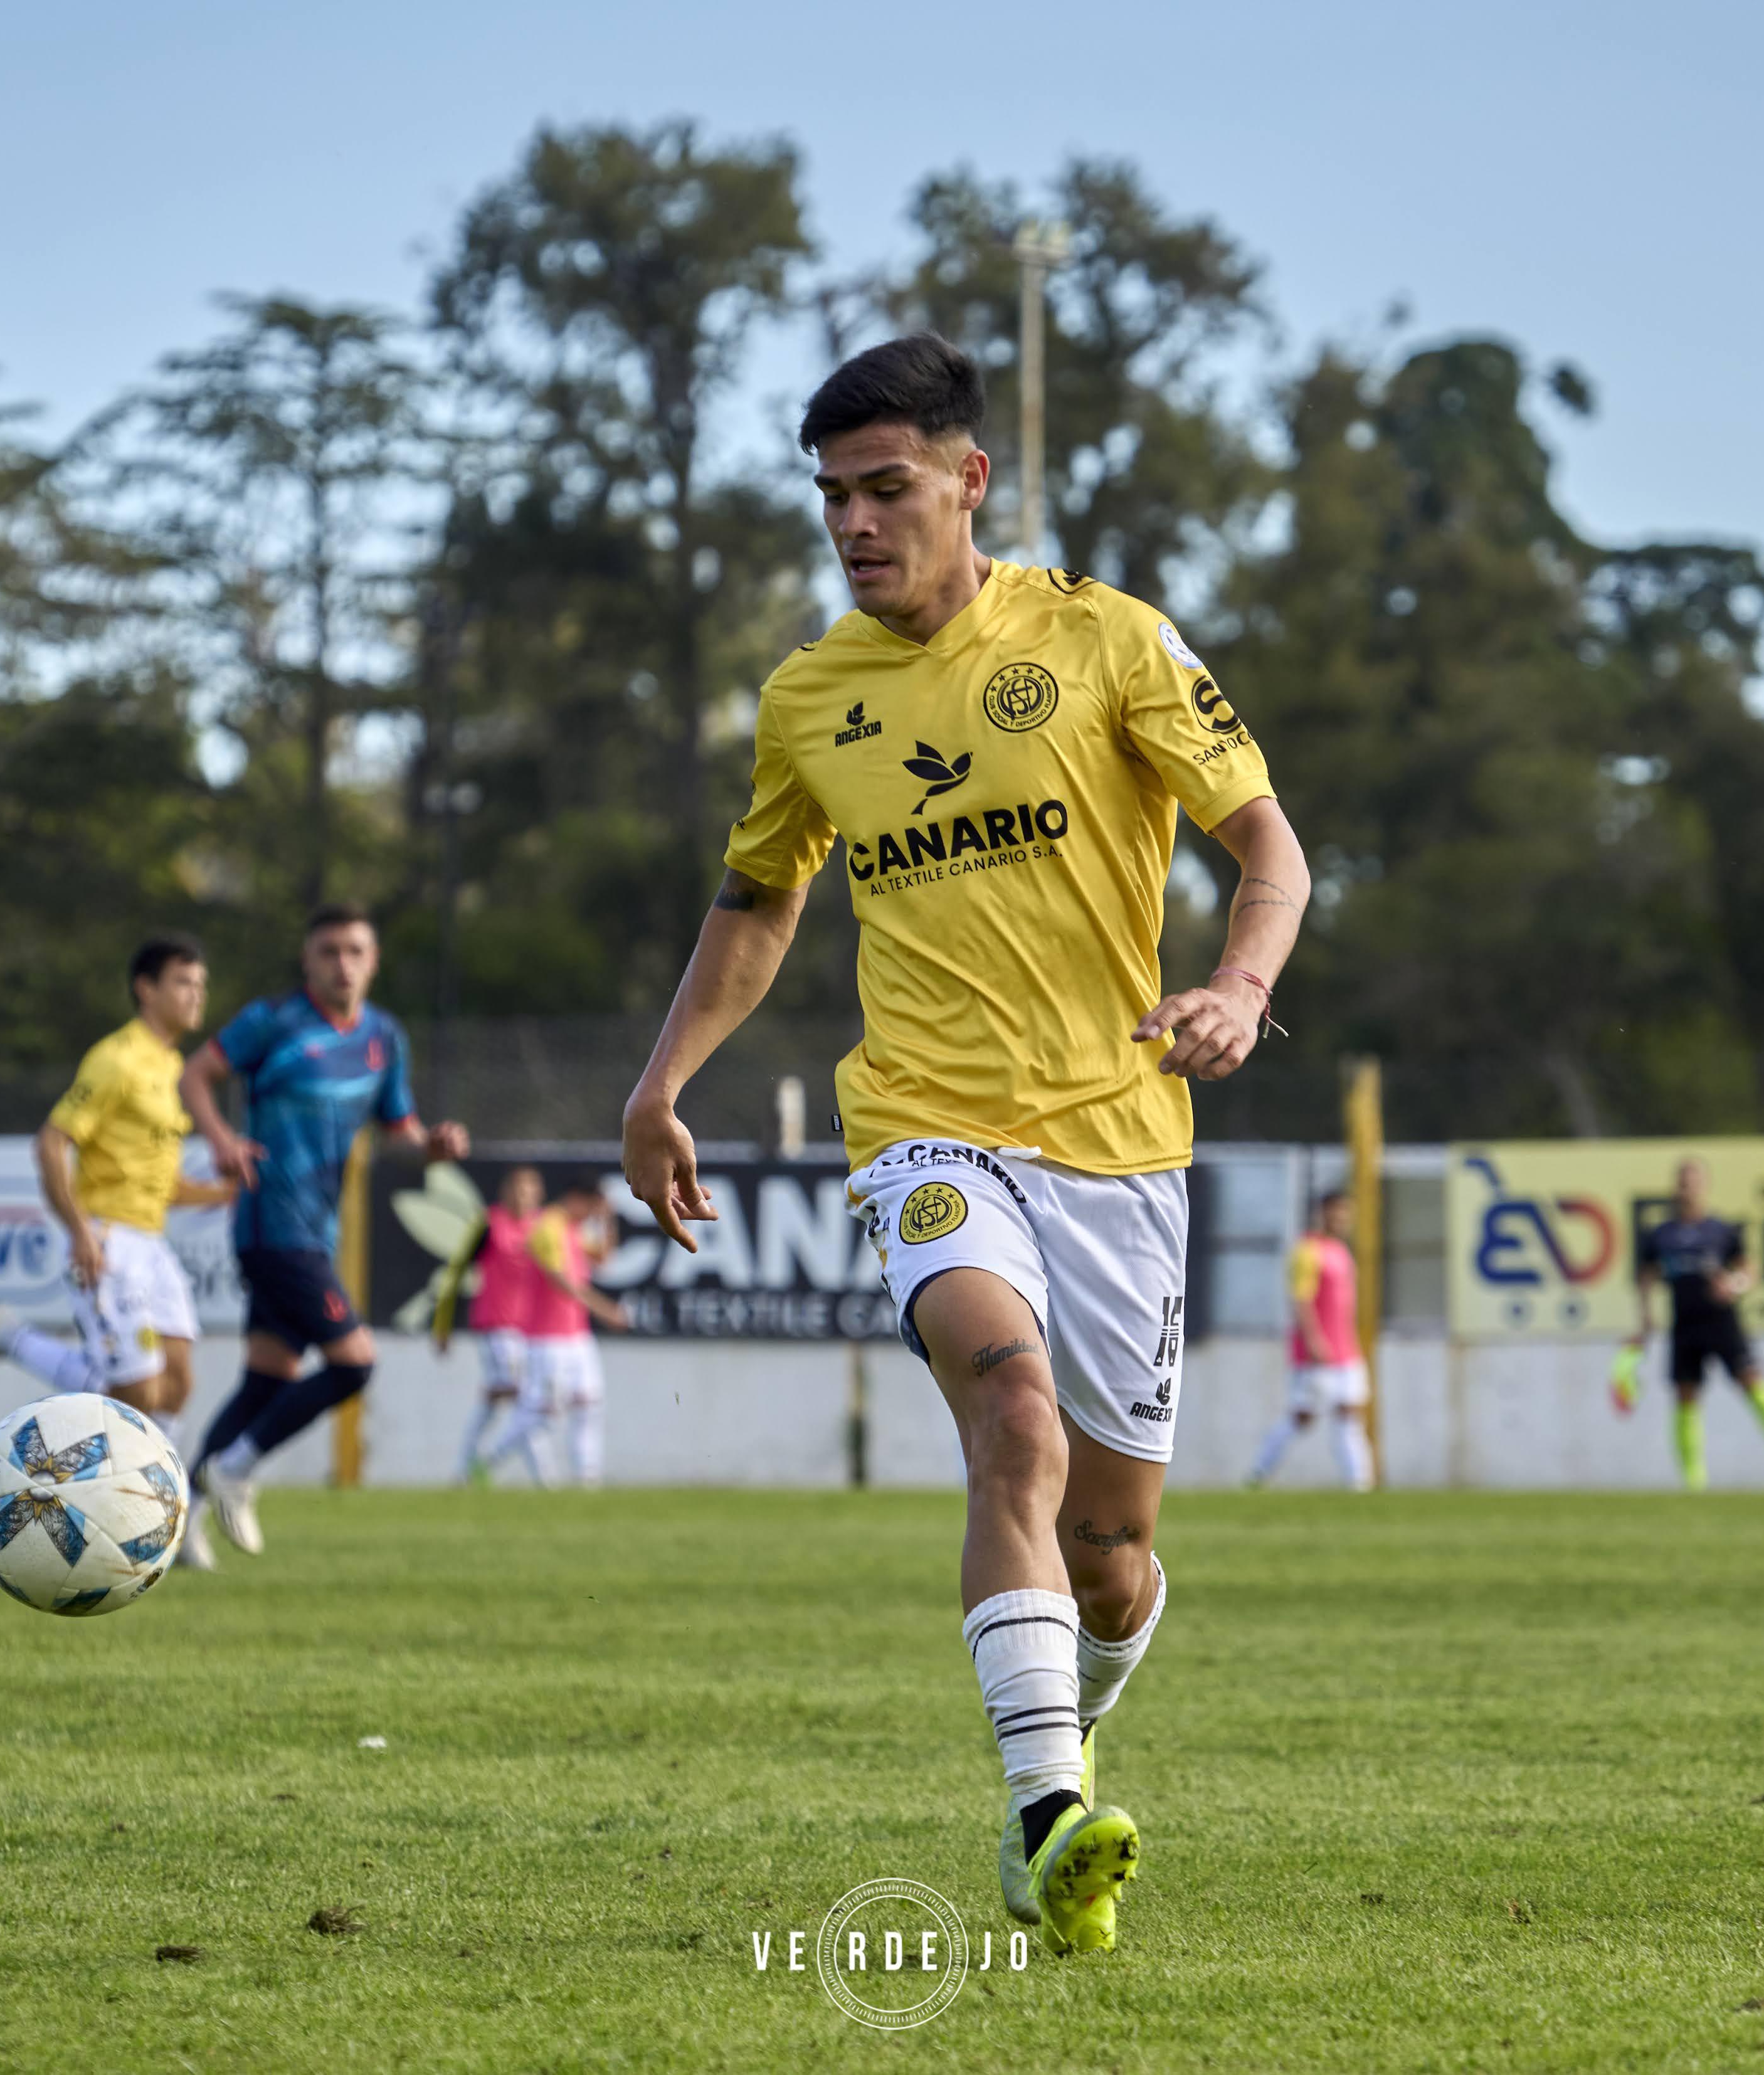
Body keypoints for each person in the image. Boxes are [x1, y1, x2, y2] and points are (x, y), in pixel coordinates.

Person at [620, 334, 1311, 1954]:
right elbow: (759, 901)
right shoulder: (809, 694)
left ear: (966, 479)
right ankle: (1043, 1807)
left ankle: (1065, 1745)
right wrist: (660, 1085)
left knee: (1117, 1558)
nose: (854, 526)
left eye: (886, 490)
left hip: (1121, 1142)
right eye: (831, 499)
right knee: (1009, 1409)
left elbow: (1268, 849)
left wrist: (1237, 985)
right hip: (925, 1123)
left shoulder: (1103, 640)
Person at [176, 903, 469, 1566]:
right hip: (271, 1226)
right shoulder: (272, 1022)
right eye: (329, 951)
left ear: (373, 961)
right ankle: (235, 1470)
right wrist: (221, 1139)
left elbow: (399, 1128)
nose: (343, 963)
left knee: (266, 1380)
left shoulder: (383, 1037)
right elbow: (195, 1075)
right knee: (354, 1362)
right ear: (308, 961)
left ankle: (183, 1519)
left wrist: (433, 1145)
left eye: (355, 951)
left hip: (319, 1228)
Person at [0, 936, 232, 1418]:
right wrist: (80, 1231)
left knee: (177, 1385)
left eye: (201, 983)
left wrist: (228, 1192)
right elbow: (51, 1143)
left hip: (151, 1242)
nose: (196, 994)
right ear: (146, 988)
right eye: (182, 981)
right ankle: (12, 1338)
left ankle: (155, 1494)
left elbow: (165, 1186)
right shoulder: (116, 1060)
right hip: (108, 1238)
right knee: (137, 1397)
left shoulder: (172, 1065)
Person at [1627, 1156, 1764, 1492]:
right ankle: (1694, 1482)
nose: (1687, 1187)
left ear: (1706, 1185)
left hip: (1722, 1322)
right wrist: (1645, 1317)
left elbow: (1749, 1271)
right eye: (1683, 1180)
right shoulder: (1662, 1235)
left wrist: (1734, 1285)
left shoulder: (1721, 1230)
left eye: (1694, 1180)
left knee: (1754, 1382)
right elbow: (1646, 1276)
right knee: (1685, 1396)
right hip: (1684, 1324)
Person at [488, 1174, 630, 1486]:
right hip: (546, 1339)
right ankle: (486, 1463)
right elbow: (564, 1282)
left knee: (590, 1405)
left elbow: (603, 1259)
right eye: (594, 1208)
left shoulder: (574, 1229)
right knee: (542, 1414)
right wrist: (607, 1311)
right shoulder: (549, 1227)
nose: (595, 1214)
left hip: (577, 1336)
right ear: (579, 1200)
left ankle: (586, 1482)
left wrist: (608, 1220)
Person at [1247, 1190, 1373, 1489]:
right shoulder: (1308, 1250)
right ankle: (1258, 1474)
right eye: (1336, 1211)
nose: (1342, 1219)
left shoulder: (1342, 1251)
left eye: (1346, 1213)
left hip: (1346, 1351)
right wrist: (1315, 1340)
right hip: (1316, 1353)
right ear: (1323, 1212)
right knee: (1302, 1417)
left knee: (1350, 1414)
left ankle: (1360, 1485)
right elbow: (1301, 1300)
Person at [443, 1164, 547, 1485]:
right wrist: (443, 1325)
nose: (522, 1196)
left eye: (529, 1190)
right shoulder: (490, 1224)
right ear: (505, 1192)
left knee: (494, 1401)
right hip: (496, 1326)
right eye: (517, 1189)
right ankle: (541, 1477)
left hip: (530, 1331)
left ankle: (464, 1470)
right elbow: (459, 1269)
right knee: (525, 1400)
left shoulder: (542, 1228)